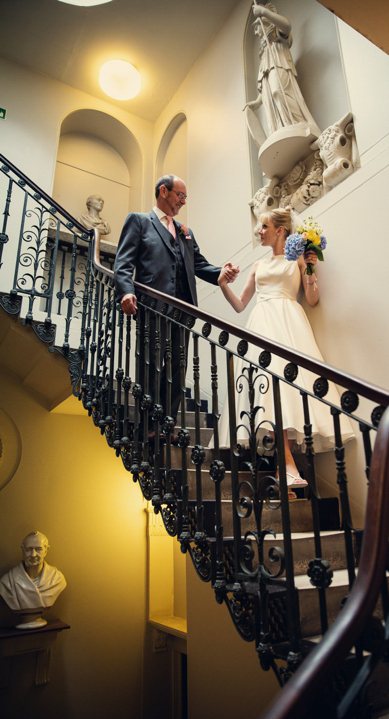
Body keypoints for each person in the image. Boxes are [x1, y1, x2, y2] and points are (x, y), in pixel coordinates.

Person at [217, 208, 353, 490]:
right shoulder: (258, 266)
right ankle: (286, 464)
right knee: (269, 388)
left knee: (289, 391)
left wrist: (312, 268)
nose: (259, 231)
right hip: (262, 324)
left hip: (290, 323)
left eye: (264, 226)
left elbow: (312, 299)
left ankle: (285, 466)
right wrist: (221, 284)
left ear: (280, 230)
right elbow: (241, 304)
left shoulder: (299, 260)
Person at [113, 175, 239, 427]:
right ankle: (148, 426)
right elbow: (123, 262)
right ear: (163, 191)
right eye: (180, 195)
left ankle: (167, 422)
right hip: (152, 308)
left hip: (182, 311)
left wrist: (221, 273)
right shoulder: (139, 221)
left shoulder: (185, 232)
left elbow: (199, 265)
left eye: (185, 197)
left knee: (177, 370)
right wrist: (127, 292)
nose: (183, 201)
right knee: (152, 367)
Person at [244, 1, 319, 145]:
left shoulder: (278, 37)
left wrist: (264, 12)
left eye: (257, 27)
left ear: (265, 23)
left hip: (280, 67)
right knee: (270, 99)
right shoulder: (264, 52)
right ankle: (280, 129)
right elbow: (264, 83)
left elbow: (287, 25)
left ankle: (296, 123)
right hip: (271, 77)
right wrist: (258, 101)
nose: (255, 31)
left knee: (278, 92)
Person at [0, 532, 66, 612]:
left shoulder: (57, 579)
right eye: (28, 550)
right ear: (23, 550)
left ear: (46, 550)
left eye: (38, 549)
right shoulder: (8, 582)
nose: (33, 555)